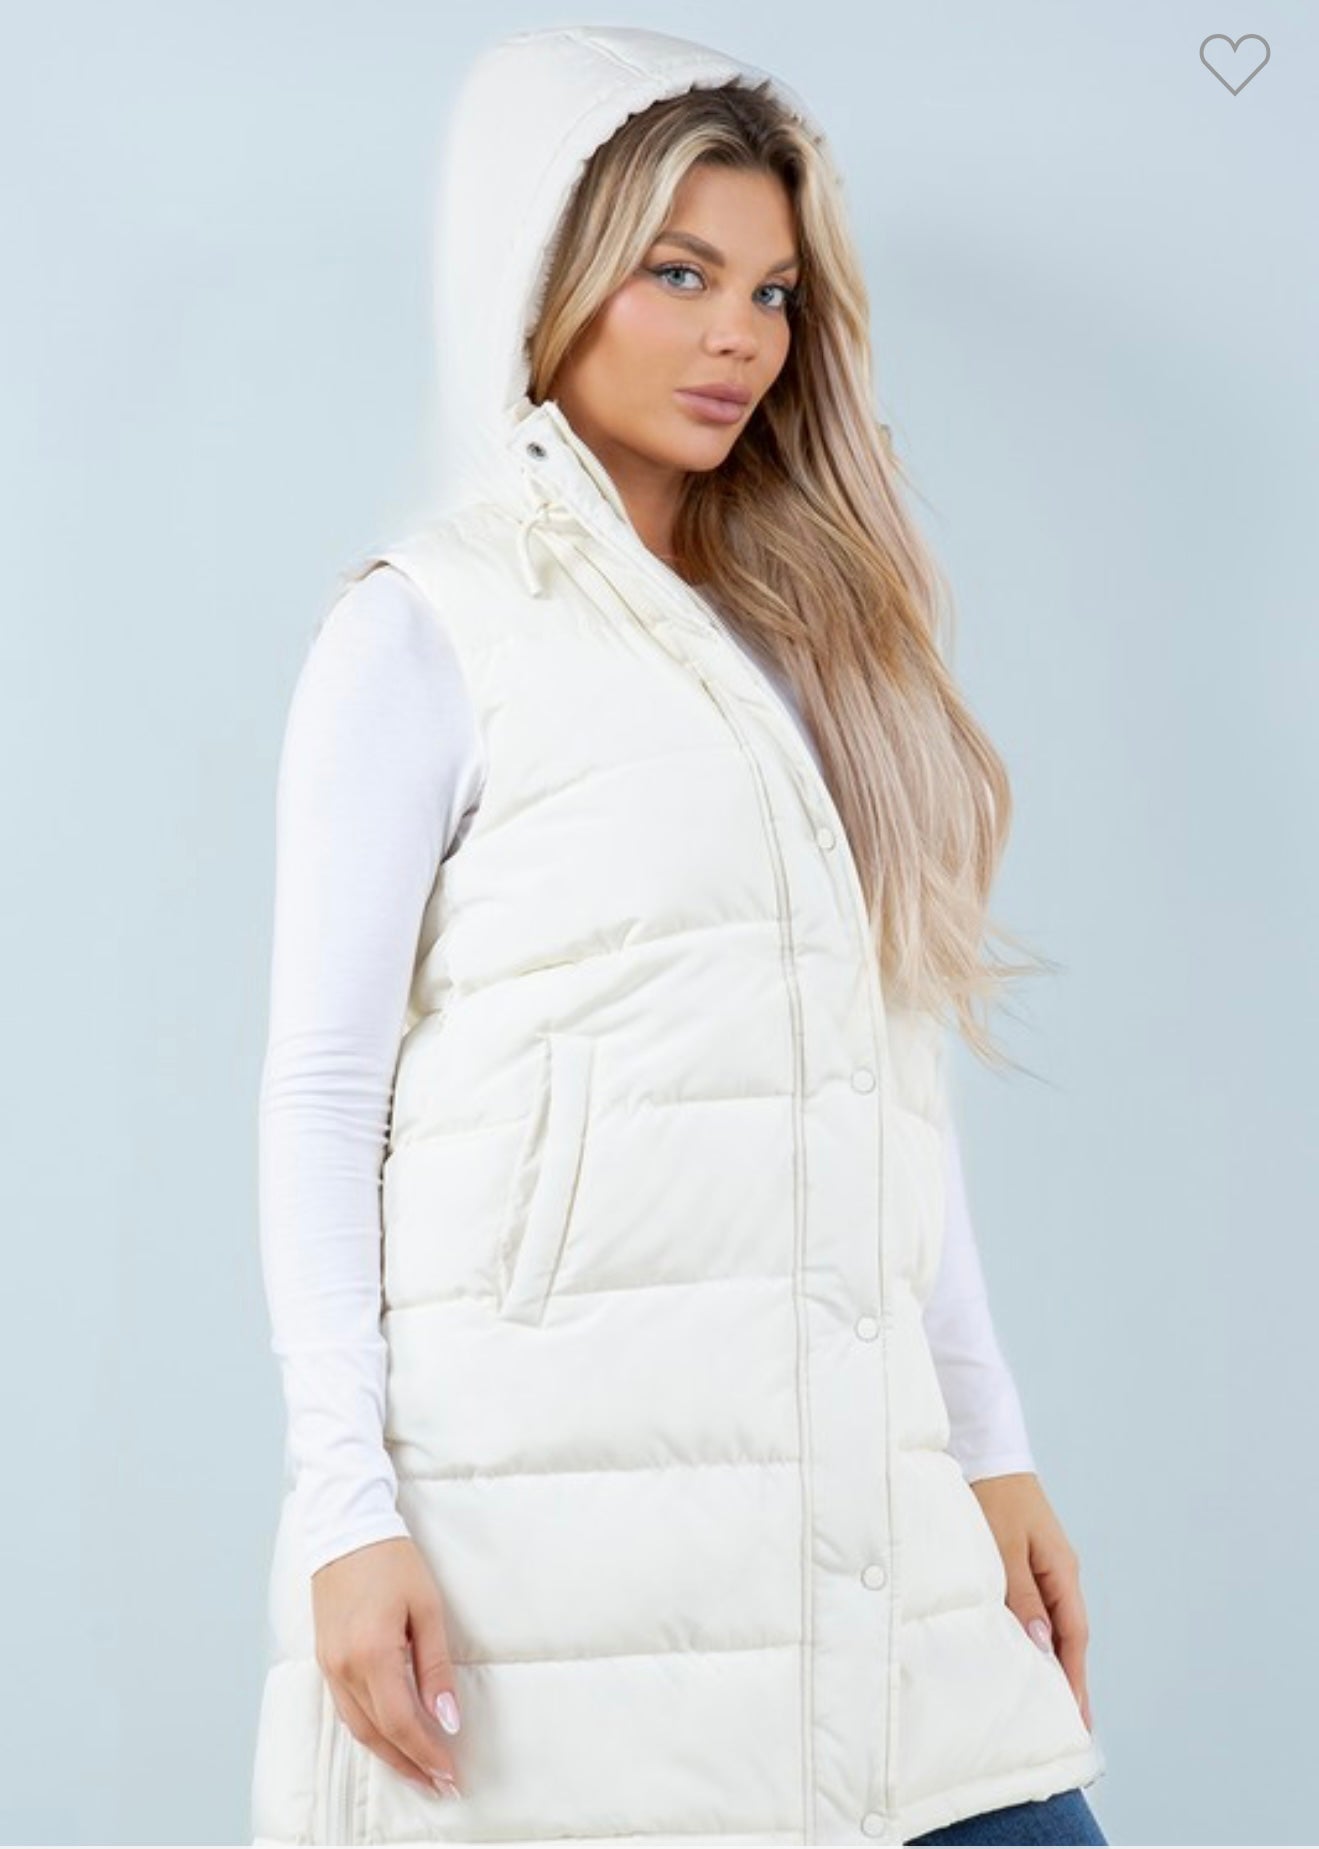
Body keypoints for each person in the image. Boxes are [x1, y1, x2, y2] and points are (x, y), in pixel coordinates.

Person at [250, 24, 1109, 1848]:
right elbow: (323, 1095)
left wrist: (991, 1442)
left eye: (774, 292)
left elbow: (890, 1080)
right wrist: (344, 1508)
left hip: (862, 1520)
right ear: (544, 274)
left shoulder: (813, 647)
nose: (742, 337)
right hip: (544, 1543)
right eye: (680, 273)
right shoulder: (423, 631)